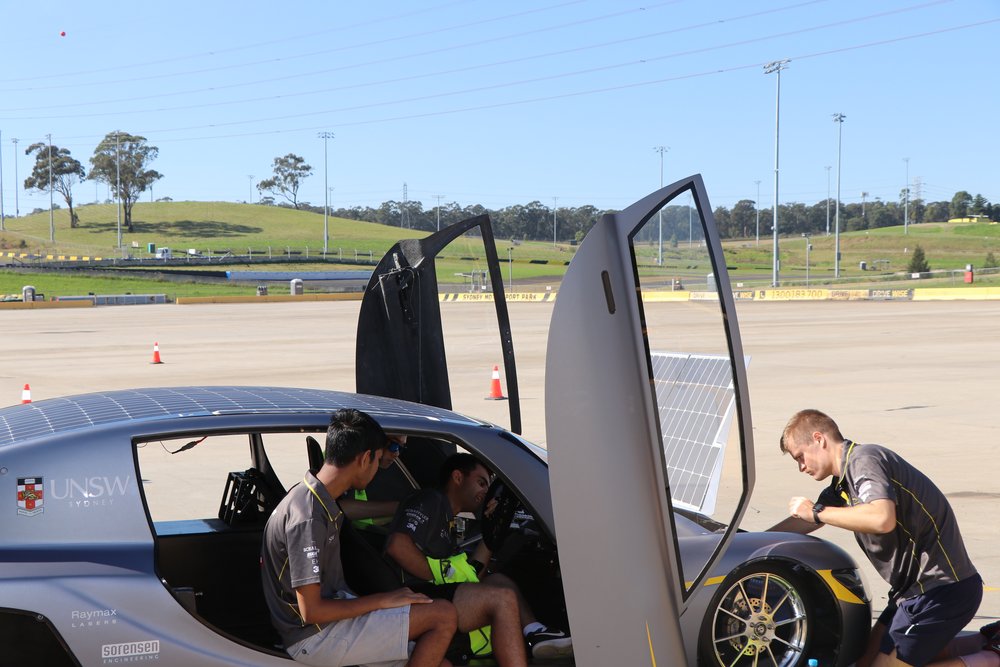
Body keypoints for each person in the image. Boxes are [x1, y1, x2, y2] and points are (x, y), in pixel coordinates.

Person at [778, 409, 997, 667]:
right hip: (911, 593)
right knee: (865, 662)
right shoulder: (842, 483)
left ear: (819, 438)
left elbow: (882, 518)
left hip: (941, 589)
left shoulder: (864, 460)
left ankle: (993, 659)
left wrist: (816, 512)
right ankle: (986, 645)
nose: (801, 467)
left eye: (800, 457)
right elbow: (804, 522)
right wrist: (743, 542)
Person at [261, 409, 457, 667]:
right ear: (365, 459)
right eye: (377, 460)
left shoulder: (315, 500)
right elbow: (312, 611)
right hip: (314, 637)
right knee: (443, 615)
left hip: (329, 623)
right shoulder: (307, 517)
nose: (377, 467)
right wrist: (384, 601)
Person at [385, 453, 573, 664]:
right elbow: (397, 546)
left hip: (434, 594)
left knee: (499, 582)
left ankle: (536, 632)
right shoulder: (431, 500)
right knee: (501, 599)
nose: (486, 491)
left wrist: (491, 526)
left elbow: (473, 575)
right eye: (481, 482)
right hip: (414, 597)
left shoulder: (449, 521)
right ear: (457, 477)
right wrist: (443, 576)